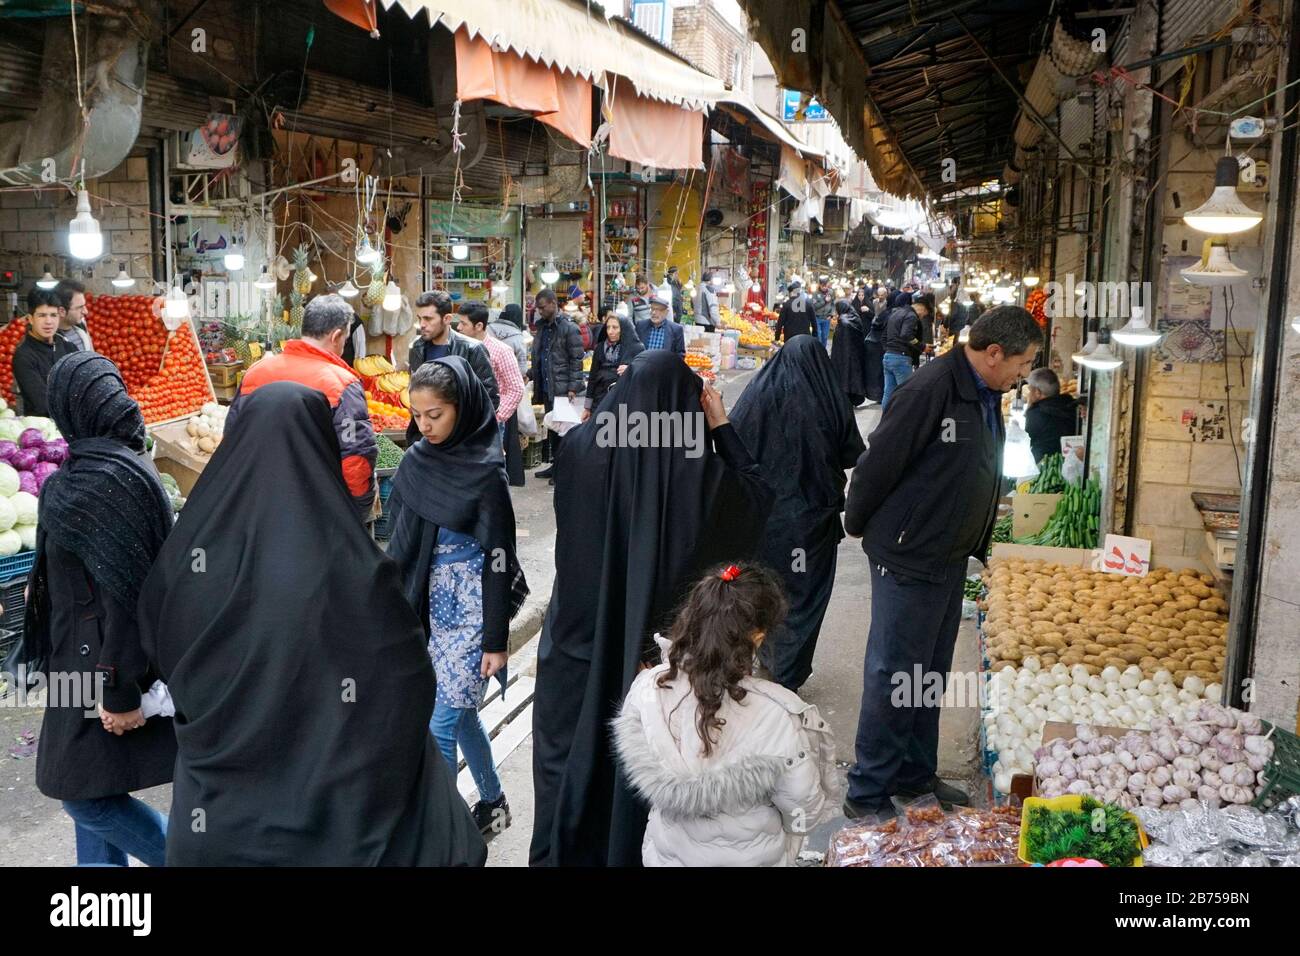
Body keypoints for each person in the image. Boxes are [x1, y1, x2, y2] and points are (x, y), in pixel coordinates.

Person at [138, 382, 488, 866]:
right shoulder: (354, 563)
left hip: (220, 821)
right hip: (342, 819)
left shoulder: (189, 557)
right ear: (323, 445)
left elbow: (160, 644)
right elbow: (405, 677)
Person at [530, 352, 774, 867]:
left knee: (569, 754)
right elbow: (757, 498)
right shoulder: (705, 477)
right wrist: (722, 427)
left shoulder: (577, 451)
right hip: (658, 657)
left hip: (579, 640)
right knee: (642, 763)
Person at [841, 307, 1043, 819]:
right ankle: (867, 792)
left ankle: (914, 775)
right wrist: (860, 525)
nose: (1025, 372)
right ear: (994, 353)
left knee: (928, 673)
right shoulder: (931, 389)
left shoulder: (983, 390)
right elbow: (877, 462)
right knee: (894, 673)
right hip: (909, 555)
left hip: (949, 556)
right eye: (1025, 362)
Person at [28, 353, 175, 866]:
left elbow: (128, 597)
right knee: (93, 785)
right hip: (73, 660)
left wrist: (120, 691)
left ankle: (197, 856)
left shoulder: (108, 482)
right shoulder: (89, 471)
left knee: (80, 792)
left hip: (103, 664)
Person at [385, 358, 529, 836]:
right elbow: (401, 544)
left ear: (462, 408)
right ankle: (493, 802)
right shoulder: (415, 460)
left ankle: (443, 835)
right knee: (459, 714)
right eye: (418, 416)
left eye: (435, 415)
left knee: (440, 725)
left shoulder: (486, 472)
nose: (424, 427)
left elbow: (498, 558)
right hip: (431, 610)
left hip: (471, 612)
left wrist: (495, 640)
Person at [611, 563, 834, 866]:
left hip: (667, 857)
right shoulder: (777, 715)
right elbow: (803, 811)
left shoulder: (649, 687)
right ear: (757, 637)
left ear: (691, 617)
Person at [731, 337, 865, 692]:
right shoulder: (827, 397)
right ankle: (787, 671)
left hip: (766, 519)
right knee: (805, 593)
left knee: (766, 588)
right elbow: (853, 451)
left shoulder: (758, 394)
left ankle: (767, 658)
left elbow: (732, 442)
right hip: (811, 522)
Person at [227, 294, 377, 522]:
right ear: (336, 335)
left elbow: (231, 439)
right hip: (316, 509)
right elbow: (355, 457)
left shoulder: (256, 372)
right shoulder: (342, 383)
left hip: (257, 501)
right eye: (345, 339)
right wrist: (359, 509)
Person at [407, 290, 499, 429]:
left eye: (428, 319)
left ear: (447, 319)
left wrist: (467, 431)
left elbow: (490, 397)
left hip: (462, 438)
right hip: (426, 434)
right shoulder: (417, 348)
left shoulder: (472, 349)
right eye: (419, 318)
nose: (422, 324)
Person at [528, 287, 585, 481]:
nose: (540, 311)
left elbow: (577, 359)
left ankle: (563, 469)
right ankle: (555, 465)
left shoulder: (569, 328)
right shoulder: (542, 327)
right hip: (546, 385)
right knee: (552, 428)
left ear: (553, 304)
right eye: (538, 308)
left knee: (564, 432)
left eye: (542, 307)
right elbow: (540, 355)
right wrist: (531, 374)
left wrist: (572, 387)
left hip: (562, 388)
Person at [457, 302, 525, 451]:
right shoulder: (458, 348)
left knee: (489, 468)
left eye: (463, 323)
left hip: (488, 424)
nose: (459, 328)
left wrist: (496, 416)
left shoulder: (501, 351)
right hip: (462, 422)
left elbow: (516, 388)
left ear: (479, 326)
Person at [12, 287, 77, 416]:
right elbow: (42, 404)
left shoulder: (69, 348)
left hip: (72, 424)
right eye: (42, 315)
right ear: (30, 319)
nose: (48, 322)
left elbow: (83, 388)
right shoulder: (24, 356)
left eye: (53, 315)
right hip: (42, 429)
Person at [489, 303, 530, 487]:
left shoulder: (489, 329)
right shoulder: (517, 336)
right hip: (507, 393)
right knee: (508, 435)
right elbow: (521, 367)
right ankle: (510, 475)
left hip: (489, 392)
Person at [586, 303, 644, 409]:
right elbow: (592, 377)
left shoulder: (636, 348)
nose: (610, 332)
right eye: (608, 327)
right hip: (600, 400)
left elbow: (644, 374)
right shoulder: (600, 347)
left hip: (623, 402)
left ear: (624, 329)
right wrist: (587, 407)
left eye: (615, 327)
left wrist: (631, 369)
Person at [1025, 367, 1081, 463]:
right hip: (1069, 464)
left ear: (1038, 392)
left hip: (1045, 469)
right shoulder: (1071, 406)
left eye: (1030, 390)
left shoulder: (1036, 413)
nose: (1028, 394)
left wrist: (1029, 408)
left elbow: (1026, 441)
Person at [880, 291, 921, 408]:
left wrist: (889, 349)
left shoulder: (894, 314)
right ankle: (903, 423)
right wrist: (921, 346)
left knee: (888, 393)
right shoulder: (911, 316)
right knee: (906, 394)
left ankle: (886, 420)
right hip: (901, 357)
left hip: (888, 357)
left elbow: (883, 337)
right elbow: (906, 335)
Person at [828, 299, 871, 408]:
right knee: (854, 376)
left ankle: (844, 399)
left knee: (844, 377)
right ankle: (853, 399)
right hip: (856, 354)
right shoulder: (856, 318)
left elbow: (839, 341)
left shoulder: (843, 321)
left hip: (843, 355)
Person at [54, 279, 93, 352]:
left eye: (84, 305)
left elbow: (91, 355)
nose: (86, 312)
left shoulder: (81, 325)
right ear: (62, 311)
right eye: (80, 307)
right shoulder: (51, 339)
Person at [774, 278, 816, 342]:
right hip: (805, 337)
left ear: (791, 292)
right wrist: (814, 336)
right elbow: (814, 322)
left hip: (790, 337)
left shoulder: (786, 305)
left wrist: (777, 337)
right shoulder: (808, 304)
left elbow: (780, 323)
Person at [863, 293, 886, 405]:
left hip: (874, 347)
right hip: (879, 348)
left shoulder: (870, 337)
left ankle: (878, 395)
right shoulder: (874, 303)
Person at [811, 277, 834, 347]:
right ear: (820, 285)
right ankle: (817, 350)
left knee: (825, 336)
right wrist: (824, 301)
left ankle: (823, 351)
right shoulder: (815, 293)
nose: (824, 287)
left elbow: (833, 304)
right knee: (818, 335)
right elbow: (814, 306)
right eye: (822, 286)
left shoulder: (831, 292)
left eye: (826, 286)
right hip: (817, 317)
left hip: (827, 318)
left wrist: (831, 314)